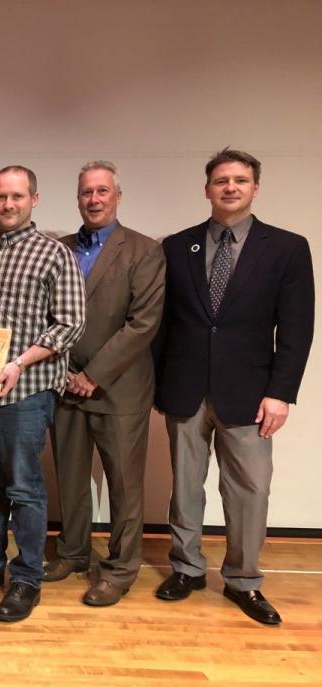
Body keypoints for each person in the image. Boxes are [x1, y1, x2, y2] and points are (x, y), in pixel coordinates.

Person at [153, 148, 314, 625]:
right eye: (221, 180)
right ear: (207, 189)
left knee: (250, 491)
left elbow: (297, 326)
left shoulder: (286, 247)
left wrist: (281, 392)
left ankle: (243, 580)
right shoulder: (178, 246)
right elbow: (164, 324)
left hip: (251, 393)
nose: (230, 187)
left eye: (240, 180)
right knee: (185, 488)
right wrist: (159, 384)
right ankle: (186, 568)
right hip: (185, 388)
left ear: (255, 188)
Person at [0, 166, 86, 623]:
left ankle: (26, 579)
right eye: (1, 196)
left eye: (17, 196)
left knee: (24, 489)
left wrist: (18, 362)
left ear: (34, 200)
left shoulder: (54, 255)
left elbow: (69, 323)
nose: (8, 204)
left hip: (24, 392)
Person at [44, 161, 165, 606]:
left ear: (117, 195)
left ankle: (119, 569)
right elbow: (46, 315)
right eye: (86, 193)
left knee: (124, 485)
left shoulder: (144, 251)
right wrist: (68, 373)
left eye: (102, 191)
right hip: (64, 384)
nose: (93, 200)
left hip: (119, 389)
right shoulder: (57, 248)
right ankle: (73, 553)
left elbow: (143, 324)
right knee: (70, 479)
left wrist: (93, 374)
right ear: (78, 198)